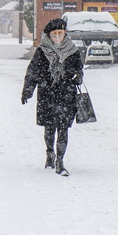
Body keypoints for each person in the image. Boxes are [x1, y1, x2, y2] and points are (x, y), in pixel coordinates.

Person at [21, 18, 84, 176]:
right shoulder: (42, 51)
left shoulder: (73, 50)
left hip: (66, 94)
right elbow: (32, 72)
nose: (57, 37)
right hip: (47, 93)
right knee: (49, 128)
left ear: (65, 33)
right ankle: (50, 154)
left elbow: (79, 68)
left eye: (60, 33)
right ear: (49, 36)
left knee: (63, 129)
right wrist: (27, 91)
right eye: (54, 34)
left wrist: (79, 76)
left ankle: (60, 161)